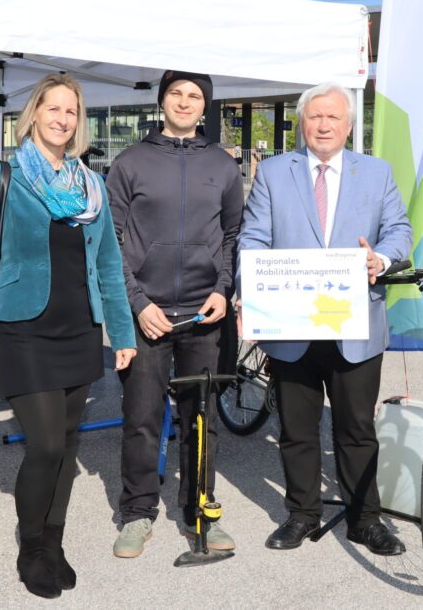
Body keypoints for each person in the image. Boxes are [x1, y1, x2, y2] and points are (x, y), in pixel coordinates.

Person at [0, 73, 137, 599]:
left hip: (79, 330)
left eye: (71, 112)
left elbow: (108, 263)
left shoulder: (91, 187)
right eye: (53, 108)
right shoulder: (0, 177)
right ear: (34, 113)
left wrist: (120, 331)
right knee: (43, 445)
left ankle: (55, 544)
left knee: (66, 445)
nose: (62, 119)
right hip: (21, 330)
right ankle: (31, 549)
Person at [237, 83, 413, 556]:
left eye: (334, 117)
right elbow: (252, 238)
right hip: (291, 326)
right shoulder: (274, 173)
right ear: (302, 122)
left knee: (357, 428)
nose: (324, 125)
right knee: (296, 427)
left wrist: (383, 259)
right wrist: (250, 292)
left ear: (349, 125)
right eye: (315, 116)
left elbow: (400, 231)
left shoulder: (376, 174)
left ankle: (365, 520)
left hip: (355, 325)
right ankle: (301, 514)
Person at [106, 70, 243, 557]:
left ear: (205, 106)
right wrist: (138, 304)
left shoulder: (223, 166)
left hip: (204, 315)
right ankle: (137, 513)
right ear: (162, 101)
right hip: (147, 314)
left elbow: (232, 236)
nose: (185, 102)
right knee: (142, 417)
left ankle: (199, 509)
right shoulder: (130, 162)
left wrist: (224, 291)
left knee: (200, 418)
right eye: (176, 94)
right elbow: (111, 242)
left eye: (194, 96)